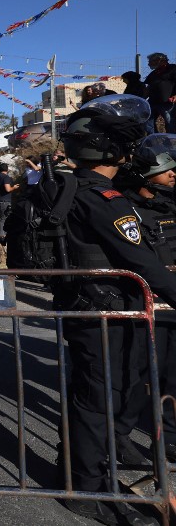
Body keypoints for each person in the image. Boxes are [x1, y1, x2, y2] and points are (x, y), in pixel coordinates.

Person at [52, 94, 170, 526]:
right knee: (100, 400)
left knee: (97, 398)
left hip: (96, 310)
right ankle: (86, 487)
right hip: (106, 313)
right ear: (112, 150)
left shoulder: (74, 187)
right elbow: (144, 264)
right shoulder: (102, 198)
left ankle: (83, 472)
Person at [110, 135, 176, 468]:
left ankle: (170, 439)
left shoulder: (171, 205)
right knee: (139, 375)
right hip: (148, 303)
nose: (173, 174)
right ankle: (119, 435)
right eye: (166, 170)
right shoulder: (127, 207)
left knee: (173, 377)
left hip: (172, 304)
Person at [145, 53, 176, 133]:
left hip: (167, 102)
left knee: (170, 124)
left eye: (151, 61)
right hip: (153, 102)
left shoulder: (173, 69)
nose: (149, 64)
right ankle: (153, 141)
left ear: (160, 60)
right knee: (148, 122)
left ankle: (171, 142)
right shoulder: (153, 73)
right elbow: (148, 87)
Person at [0, 162, 17, 243]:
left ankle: (4, 235)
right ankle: (2, 236)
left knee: (3, 217)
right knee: (4, 218)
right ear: (7, 169)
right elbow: (7, 189)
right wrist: (14, 187)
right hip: (5, 200)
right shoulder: (6, 177)